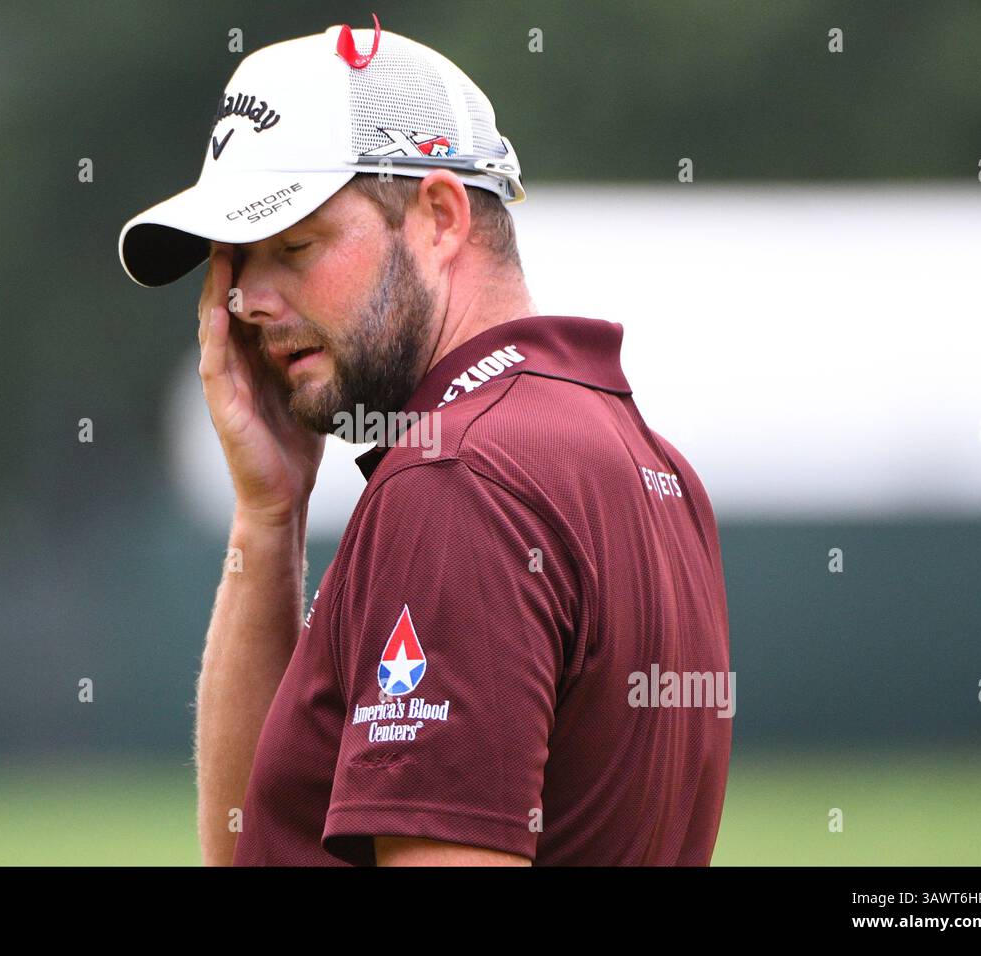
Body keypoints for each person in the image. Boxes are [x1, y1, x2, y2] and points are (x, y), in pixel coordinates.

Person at [119, 16, 732, 867]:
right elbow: (255, 847)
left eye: (294, 245)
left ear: (440, 216)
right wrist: (269, 516)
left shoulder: (455, 479)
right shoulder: (649, 459)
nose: (246, 302)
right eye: (237, 262)